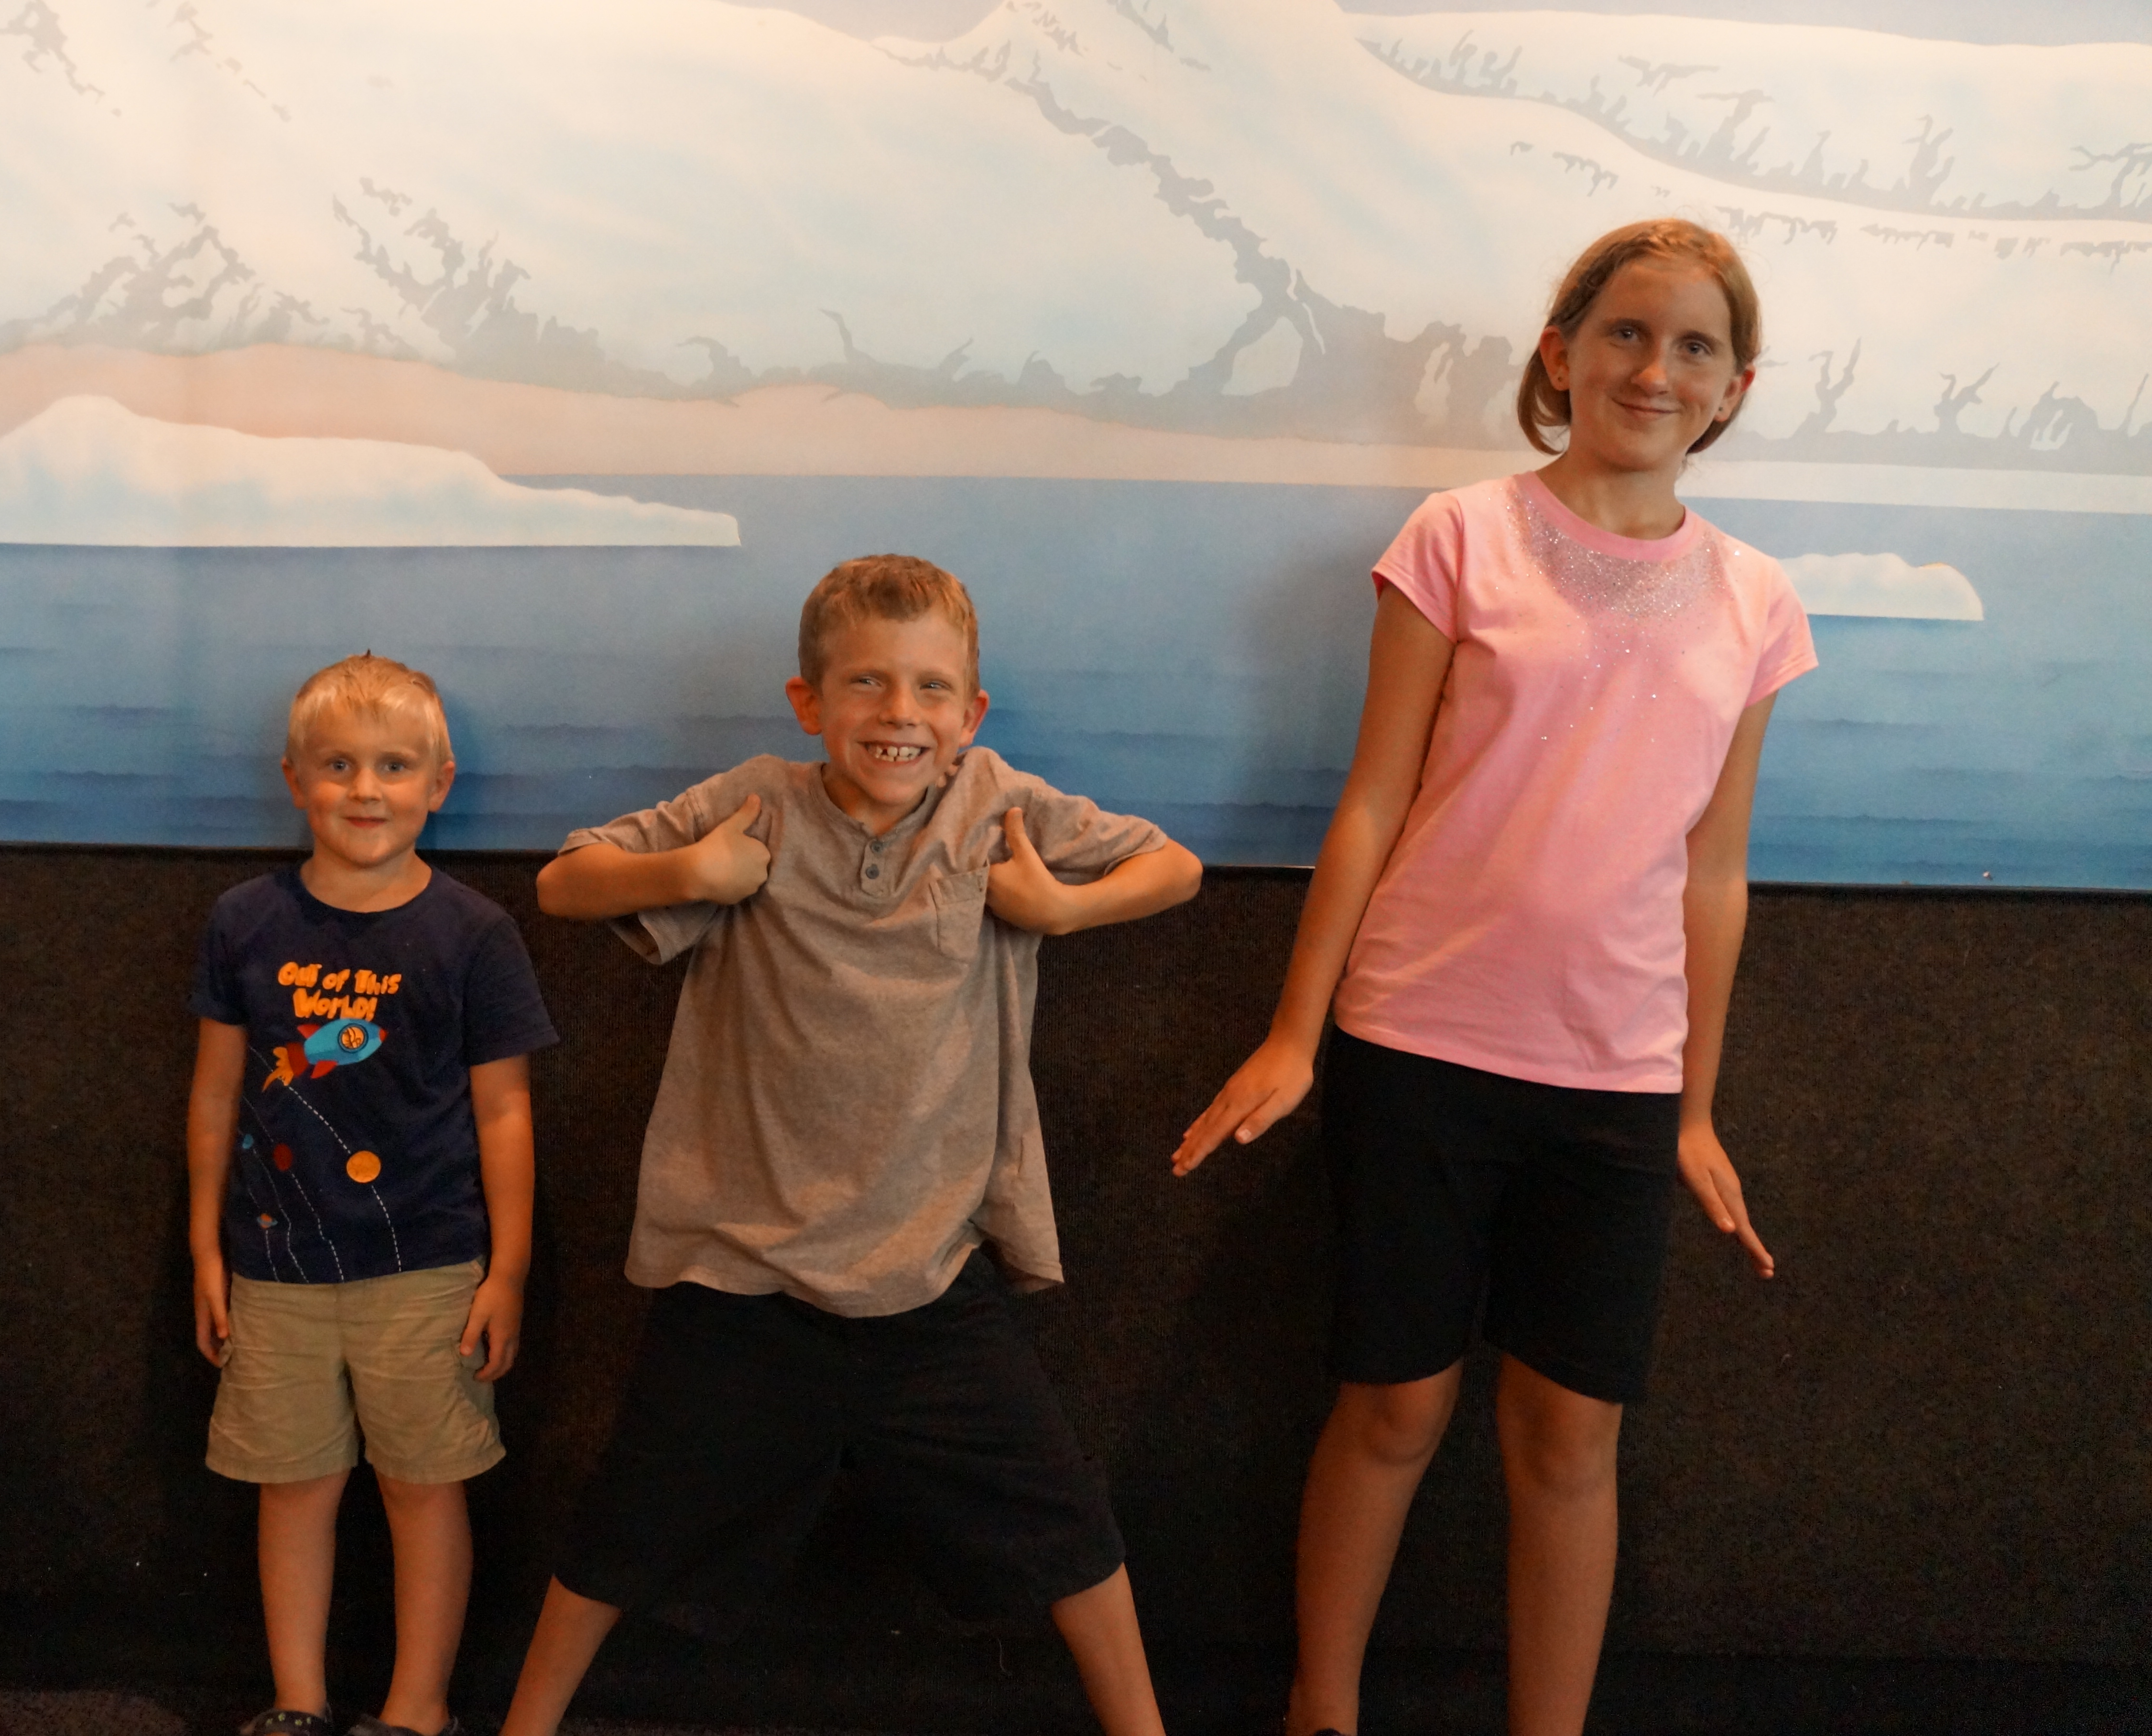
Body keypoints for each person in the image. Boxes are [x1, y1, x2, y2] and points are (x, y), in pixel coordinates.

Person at [1172, 219, 1816, 1736]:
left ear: (1734, 387)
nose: (1655, 370)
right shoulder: (1457, 537)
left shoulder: (1757, 601)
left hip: (1616, 1079)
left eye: (1696, 346)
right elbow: (1373, 800)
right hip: (1420, 1045)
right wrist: (1295, 1035)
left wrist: (1695, 1110)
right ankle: (1320, 1710)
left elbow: (1715, 873)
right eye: (1627, 332)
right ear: (1562, 351)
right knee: (1394, 1406)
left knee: (1569, 1437)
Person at [502, 554, 1204, 1736]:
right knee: (622, 1528)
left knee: (1068, 1529)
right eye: (867, 682)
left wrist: (1064, 907)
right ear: (808, 702)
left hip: (929, 1275)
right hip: (744, 1277)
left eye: (931, 688)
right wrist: (692, 871)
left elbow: (1174, 867)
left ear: (970, 713)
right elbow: (565, 883)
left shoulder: (996, 804)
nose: (899, 712)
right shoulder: (757, 802)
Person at [187, 654, 558, 1736]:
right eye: (339, 765)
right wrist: (206, 1250)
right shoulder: (243, 921)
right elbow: (213, 1094)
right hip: (275, 1269)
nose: (365, 789)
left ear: (438, 784)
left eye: (394, 766)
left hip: (428, 1269)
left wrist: (508, 1270)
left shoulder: (474, 932)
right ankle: (297, 1700)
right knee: (294, 1486)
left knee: (422, 1486)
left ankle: (416, 1707)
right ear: (294, 778)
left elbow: (505, 1113)